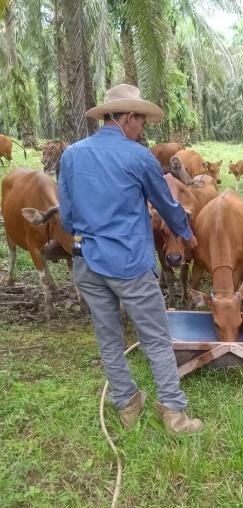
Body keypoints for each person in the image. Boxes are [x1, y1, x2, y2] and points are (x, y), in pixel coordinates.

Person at [58, 84, 203, 434]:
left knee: (108, 339)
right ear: (127, 118)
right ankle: (173, 413)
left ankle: (126, 405)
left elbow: (66, 218)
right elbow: (167, 205)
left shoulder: (72, 155)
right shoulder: (138, 157)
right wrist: (185, 231)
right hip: (129, 264)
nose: (142, 129)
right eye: (140, 121)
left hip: (86, 260)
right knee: (154, 337)